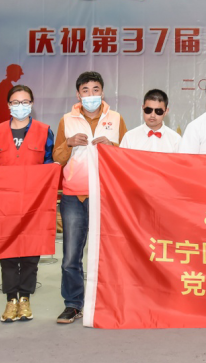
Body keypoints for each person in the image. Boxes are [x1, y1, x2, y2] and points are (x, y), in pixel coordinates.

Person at [52, 71, 127, 324]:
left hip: (106, 195)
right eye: (86, 90)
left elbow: (128, 156)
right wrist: (69, 143)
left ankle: (107, 302)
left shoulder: (116, 119)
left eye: (96, 90)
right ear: (78, 94)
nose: (91, 95)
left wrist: (113, 148)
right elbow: (57, 158)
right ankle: (73, 304)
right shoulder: (67, 120)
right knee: (71, 256)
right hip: (74, 196)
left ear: (102, 92)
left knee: (109, 253)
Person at [0, 85, 57, 323]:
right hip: (4, 204)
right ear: (8, 105)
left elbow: (49, 165)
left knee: (30, 254)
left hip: (34, 204)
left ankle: (25, 298)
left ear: (32, 104)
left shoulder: (45, 131)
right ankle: (10, 300)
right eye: (15, 102)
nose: (20, 106)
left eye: (25, 102)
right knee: (7, 254)